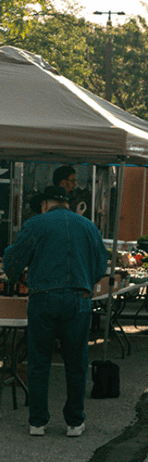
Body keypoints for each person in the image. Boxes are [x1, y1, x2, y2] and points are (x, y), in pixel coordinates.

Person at [3, 185, 107, 437]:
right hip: (78, 298)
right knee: (76, 361)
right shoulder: (88, 226)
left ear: (44, 204)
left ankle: (38, 421)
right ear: (66, 203)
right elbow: (101, 264)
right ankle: (74, 421)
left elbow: (13, 262)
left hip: (44, 297)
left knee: (39, 361)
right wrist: (85, 285)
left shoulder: (36, 224)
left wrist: (18, 274)